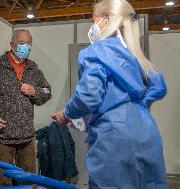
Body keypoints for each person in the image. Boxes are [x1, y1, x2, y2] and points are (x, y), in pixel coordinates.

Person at [52, 0, 168, 188]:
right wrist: (134, 109)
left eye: (93, 20)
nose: (93, 26)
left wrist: (67, 113)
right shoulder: (135, 55)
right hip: (147, 132)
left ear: (106, 20)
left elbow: (89, 97)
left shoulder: (95, 52)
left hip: (114, 138)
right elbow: (158, 86)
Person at [0, 29, 51, 186]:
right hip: (2, 138)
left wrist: (34, 91)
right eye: (22, 43)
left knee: (28, 182)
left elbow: (47, 91)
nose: (26, 48)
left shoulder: (33, 68)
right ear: (12, 45)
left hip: (27, 138)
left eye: (29, 44)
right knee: (2, 182)